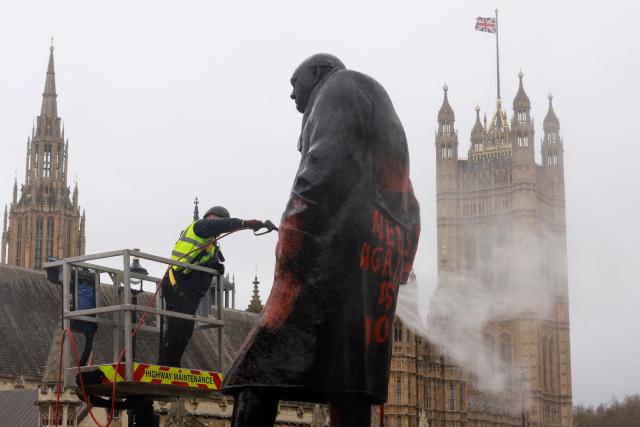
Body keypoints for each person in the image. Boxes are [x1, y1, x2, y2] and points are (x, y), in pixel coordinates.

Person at [222, 54, 421, 427]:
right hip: (373, 266)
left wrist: (292, 236)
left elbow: (325, 165)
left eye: (294, 83)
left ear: (317, 72)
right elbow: (409, 203)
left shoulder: (339, 88)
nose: (291, 94)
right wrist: (399, 265)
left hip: (327, 258)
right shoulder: (384, 113)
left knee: (256, 369)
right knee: (349, 385)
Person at [157, 206, 263, 367]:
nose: (219, 231)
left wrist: (215, 266)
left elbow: (203, 259)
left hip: (186, 288)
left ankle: (172, 364)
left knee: (185, 329)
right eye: (220, 222)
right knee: (178, 326)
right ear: (212, 217)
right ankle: (165, 366)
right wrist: (245, 223)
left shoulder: (210, 243)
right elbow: (218, 226)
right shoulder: (200, 226)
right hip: (177, 283)